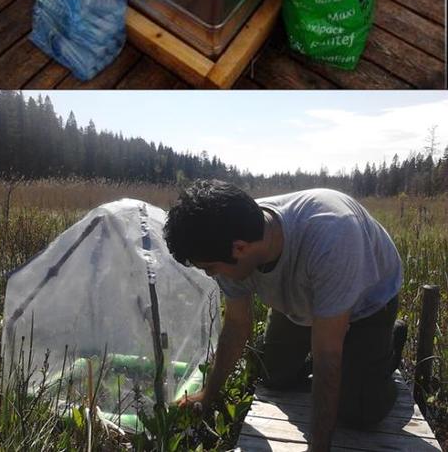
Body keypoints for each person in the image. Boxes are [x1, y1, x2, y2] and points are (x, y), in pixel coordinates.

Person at [163, 180, 406, 452]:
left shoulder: (332, 235)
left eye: (209, 268)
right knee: (274, 375)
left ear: (240, 248)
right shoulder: (228, 241)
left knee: (359, 413)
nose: (210, 275)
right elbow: (236, 325)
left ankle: (388, 343)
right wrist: (208, 395)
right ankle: (351, 359)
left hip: (366, 302)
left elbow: (327, 355)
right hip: (302, 300)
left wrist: (318, 446)